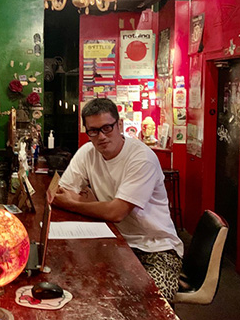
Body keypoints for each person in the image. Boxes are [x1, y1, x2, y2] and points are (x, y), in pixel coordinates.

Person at [51, 98, 183, 303]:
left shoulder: (141, 158)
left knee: (149, 306)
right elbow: (61, 192)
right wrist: (91, 205)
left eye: (107, 128)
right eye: (93, 131)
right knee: (82, 292)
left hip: (156, 249)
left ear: (119, 124)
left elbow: (117, 212)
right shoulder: (88, 152)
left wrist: (74, 203)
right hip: (114, 243)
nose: (101, 136)